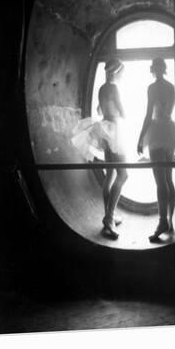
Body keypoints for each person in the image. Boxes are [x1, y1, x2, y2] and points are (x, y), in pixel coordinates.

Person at [70, 58, 128, 240]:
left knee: (110, 175)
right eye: (122, 72)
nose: (122, 76)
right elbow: (123, 112)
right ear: (117, 72)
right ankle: (109, 218)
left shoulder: (103, 88)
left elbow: (100, 110)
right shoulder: (114, 87)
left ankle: (108, 215)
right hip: (114, 130)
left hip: (105, 129)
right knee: (123, 175)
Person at [137, 57, 175, 243]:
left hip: (156, 132)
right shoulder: (171, 87)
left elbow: (147, 115)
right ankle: (169, 220)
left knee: (160, 181)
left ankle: (162, 223)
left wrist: (140, 138)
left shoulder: (152, 88)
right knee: (168, 179)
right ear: (165, 69)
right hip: (170, 131)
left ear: (154, 70)